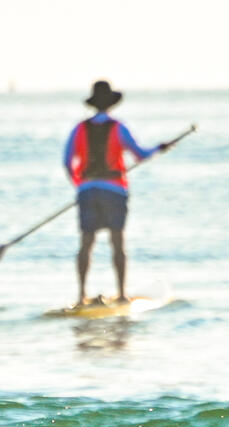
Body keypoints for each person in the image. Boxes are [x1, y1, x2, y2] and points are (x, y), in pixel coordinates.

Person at [64, 79, 177, 305]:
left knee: (86, 242)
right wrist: (159, 148)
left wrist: (81, 185)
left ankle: (80, 295)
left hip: (87, 190)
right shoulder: (118, 127)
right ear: (111, 104)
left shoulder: (79, 129)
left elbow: (67, 162)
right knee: (117, 241)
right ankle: (122, 293)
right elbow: (140, 154)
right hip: (114, 190)